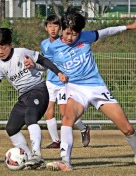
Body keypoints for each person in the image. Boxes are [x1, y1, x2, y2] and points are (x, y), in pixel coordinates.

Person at [44, 7, 136, 171]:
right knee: (67, 119)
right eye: (67, 33)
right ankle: (65, 161)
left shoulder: (86, 37)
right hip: (76, 89)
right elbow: (45, 64)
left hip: (96, 88)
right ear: (61, 29)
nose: (70, 37)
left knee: (126, 127)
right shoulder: (52, 47)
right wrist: (39, 68)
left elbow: (106, 32)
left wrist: (129, 27)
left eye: (74, 34)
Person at [0, 28, 67, 170]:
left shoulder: (21, 53)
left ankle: (36, 154)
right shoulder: (0, 65)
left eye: (3, 47)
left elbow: (43, 60)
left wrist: (58, 73)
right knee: (11, 128)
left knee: (30, 117)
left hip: (38, 90)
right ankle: (28, 159)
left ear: (10, 44)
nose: (0, 51)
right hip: (23, 97)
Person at [41, 15, 90, 149]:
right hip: (50, 82)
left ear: (61, 28)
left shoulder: (66, 43)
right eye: (50, 26)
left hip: (63, 83)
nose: (53, 29)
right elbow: (45, 62)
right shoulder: (44, 44)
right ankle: (56, 141)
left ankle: (84, 128)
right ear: (46, 27)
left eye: (56, 26)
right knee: (48, 111)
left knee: (65, 113)